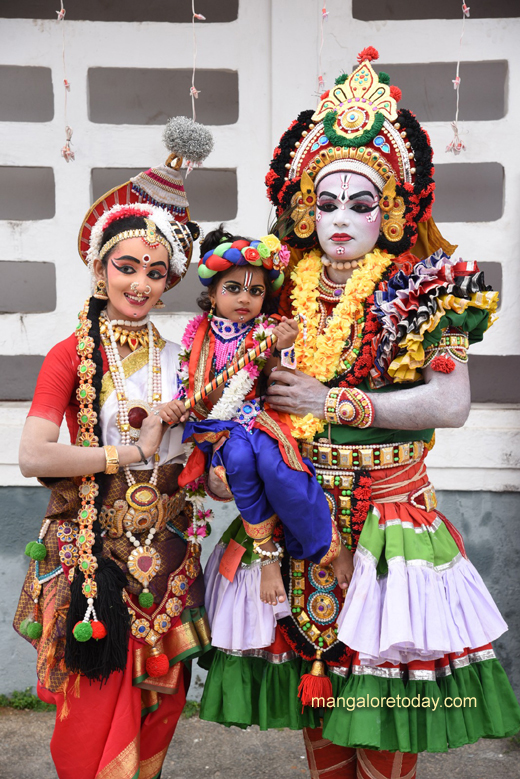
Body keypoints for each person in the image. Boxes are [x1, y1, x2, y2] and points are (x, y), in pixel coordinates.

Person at [198, 49, 520, 779]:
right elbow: (235, 384)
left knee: (386, 703)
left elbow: (452, 402)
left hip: (387, 517)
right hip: (295, 509)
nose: (341, 217)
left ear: (397, 208)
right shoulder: (276, 290)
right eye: (328, 201)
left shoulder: (429, 289)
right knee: (318, 701)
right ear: (306, 206)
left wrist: (332, 400)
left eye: (362, 201)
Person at [13, 118, 214, 779]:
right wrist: (128, 454)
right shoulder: (70, 354)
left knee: (160, 707)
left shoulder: (185, 359)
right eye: (127, 266)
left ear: (169, 281)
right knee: (89, 713)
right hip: (92, 557)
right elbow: (36, 456)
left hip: (167, 556)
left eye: (156, 273)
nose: (140, 283)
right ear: (100, 267)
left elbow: (200, 460)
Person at [161, 226, 340, 648]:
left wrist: (285, 347)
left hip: (258, 417)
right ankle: (268, 562)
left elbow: (286, 378)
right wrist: (175, 406)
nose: (245, 299)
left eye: (255, 292)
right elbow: (189, 388)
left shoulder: (266, 332)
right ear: (213, 292)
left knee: (279, 470)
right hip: (219, 428)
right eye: (234, 288)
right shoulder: (197, 336)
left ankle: (327, 546)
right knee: (239, 465)